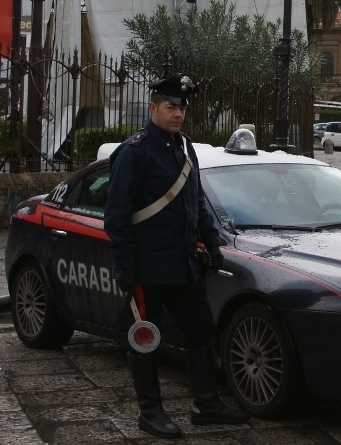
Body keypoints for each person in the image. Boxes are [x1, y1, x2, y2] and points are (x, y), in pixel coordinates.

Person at [104, 74, 249, 439]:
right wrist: (126, 264)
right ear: (153, 108)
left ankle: (205, 405)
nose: (178, 114)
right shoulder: (135, 151)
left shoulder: (184, 147)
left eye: (182, 108)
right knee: (145, 336)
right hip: (148, 266)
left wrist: (211, 241)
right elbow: (117, 214)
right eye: (171, 107)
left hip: (184, 263)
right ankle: (150, 412)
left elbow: (195, 198)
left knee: (200, 331)